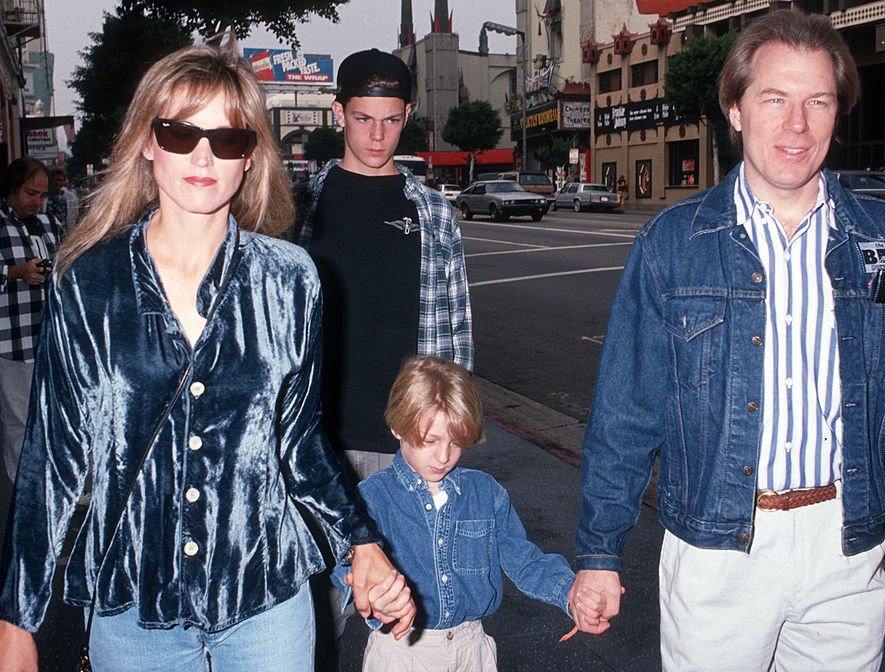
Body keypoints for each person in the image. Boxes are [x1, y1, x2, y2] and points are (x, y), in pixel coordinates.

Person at [570, 11, 885, 671]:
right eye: (775, 99)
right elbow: (627, 410)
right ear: (736, 110)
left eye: (817, 102)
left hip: (845, 550)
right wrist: (599, 554)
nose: (797, 126)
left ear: (837, 112)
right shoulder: (674, 245)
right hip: (718, 556)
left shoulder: (883, 240)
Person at [0, 44, 415, 671]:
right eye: (179, 131)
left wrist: (362, 544)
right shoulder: (88, 282)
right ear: (146, 141)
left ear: (248, 157)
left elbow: (300, 440)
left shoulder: (291, 278)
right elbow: (51, 461)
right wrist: (17, 617)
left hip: (266, 604)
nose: (202, 155)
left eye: (225, 138)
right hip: (135, 607)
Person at [291, 48, 472, 481]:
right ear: (339, 112)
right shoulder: (298, 210)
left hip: (409, 443)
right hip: (315, 441)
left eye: (391, 120)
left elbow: (457, 332)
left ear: (407, 115)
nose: (378, 136)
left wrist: (449, 429)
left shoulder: (433, 212)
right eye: (363, 119)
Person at [356, 355, 603, 670]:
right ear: (397, 427)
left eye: (456, 443)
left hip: (471, 647)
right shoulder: (373, 498)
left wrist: (571, 593)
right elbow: (347, 567)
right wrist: (374, 596)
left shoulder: (486, 493)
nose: (444, 456)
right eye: (430, 440)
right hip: (401, 651)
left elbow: (524, 560)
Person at [0, 157, 59, 545]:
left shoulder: (48, 223)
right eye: (30, 193)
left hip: (47, 335)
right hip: (11, 338)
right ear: (11, 189)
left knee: (49, 415)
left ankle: (46, 486)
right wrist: (15, 272)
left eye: (42, 195)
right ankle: (21, 496)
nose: (37, 201)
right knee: (18, 422)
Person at [45, 165, 79, 234]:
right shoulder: (43, 197)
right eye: (56, 180)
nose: (58, 183)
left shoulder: (70, 197)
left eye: (61, 180)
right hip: (48, 232)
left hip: (64, 234)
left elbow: (74, 216)